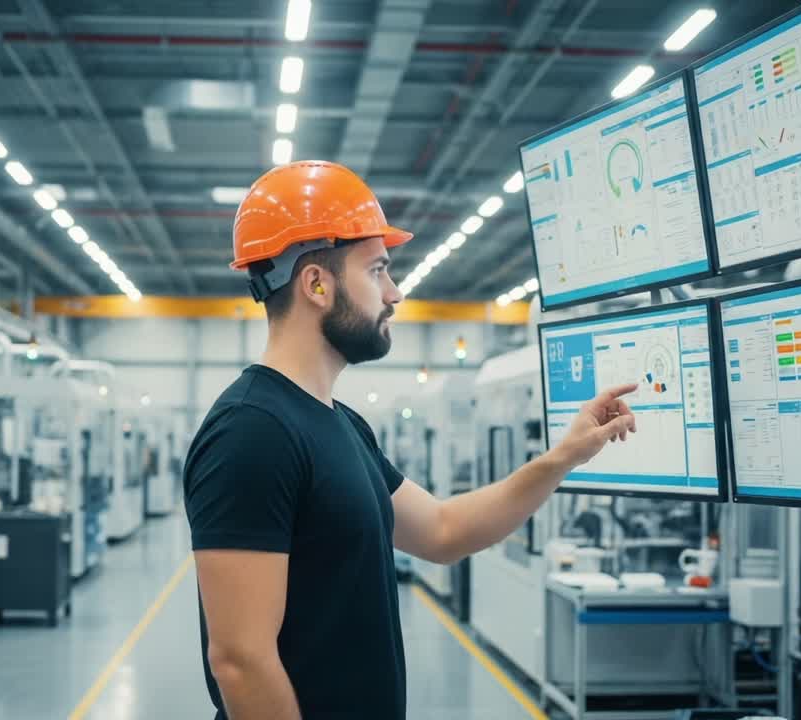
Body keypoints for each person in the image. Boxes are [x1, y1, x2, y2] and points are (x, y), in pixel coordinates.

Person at [184, 161, 637, 720]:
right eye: (377, 270)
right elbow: (240, 659)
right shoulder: (252, 431)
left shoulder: (342, 424)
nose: (394, 292)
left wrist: (565, 455)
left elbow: (445, 531)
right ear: (316, 285)